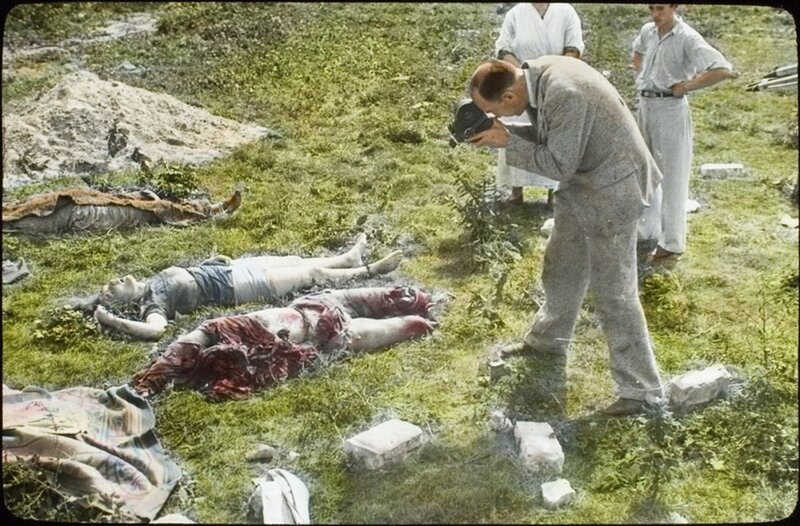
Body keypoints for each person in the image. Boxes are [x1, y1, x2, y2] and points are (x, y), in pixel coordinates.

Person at [466, 56, 665, 416]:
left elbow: (558, 163)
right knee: (562, 263)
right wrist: (507, 134)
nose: (500, 118)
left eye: (495, 111)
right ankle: (548, 341)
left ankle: (642, 392)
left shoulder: (563, 92)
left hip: (613, 186)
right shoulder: (535, 74)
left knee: (614, 290)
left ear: (509, 97)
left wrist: (506, 142)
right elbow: (557, 140)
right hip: (584, 180)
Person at [69, 233, 404, 341]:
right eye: (111, 292)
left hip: (233, 268)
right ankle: (369, 269)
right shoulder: (151, 303)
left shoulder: (154, 279)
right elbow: (155, 332)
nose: (112, 283)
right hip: (239, 286)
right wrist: (112, 322)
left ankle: (347, 258)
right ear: (124, 305)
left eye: (110, 283)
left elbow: (190, 274)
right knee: (309, 273)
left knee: (294, 259)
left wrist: (215, 260)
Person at [132, 285, 436, 400]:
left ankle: (425, 307)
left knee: (398, 323)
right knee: (209, 331)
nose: (399, 296)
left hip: (317, 331)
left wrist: (421, 315)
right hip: (300, 324)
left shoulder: (344, 326)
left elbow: (405, 321)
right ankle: (151, 381)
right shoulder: (332, 300)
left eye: (405, 298)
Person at [633, 4, 736, 262]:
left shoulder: (687, 37)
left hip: (670, 108)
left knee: (673, 175)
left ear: (674, 7)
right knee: (645, 170)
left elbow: (722, 69)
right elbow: (637, 52)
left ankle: (672, 242)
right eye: (651, 8)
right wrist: (641, 75)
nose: (655, 15)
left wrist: (687, 86)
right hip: (645, 106)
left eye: (660, 9)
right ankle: (648, 229)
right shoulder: (648, 31)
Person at [494, 3, 584, 206]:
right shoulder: (516, 14)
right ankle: (516, 191)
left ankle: (554, 193)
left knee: (554, 135)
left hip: (556, 82)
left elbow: (574, 48)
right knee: (517, 132)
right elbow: (503, 48)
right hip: (521, 84)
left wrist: (551, 74)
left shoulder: (566, 12)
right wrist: (525, 75)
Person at [2, 186, 241, 235]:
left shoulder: (15, 212)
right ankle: (212, 211)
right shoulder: (18, 223)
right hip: (83, 215)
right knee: (154, 209)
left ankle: (208, 209)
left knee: (142, 201)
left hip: (76, 205)